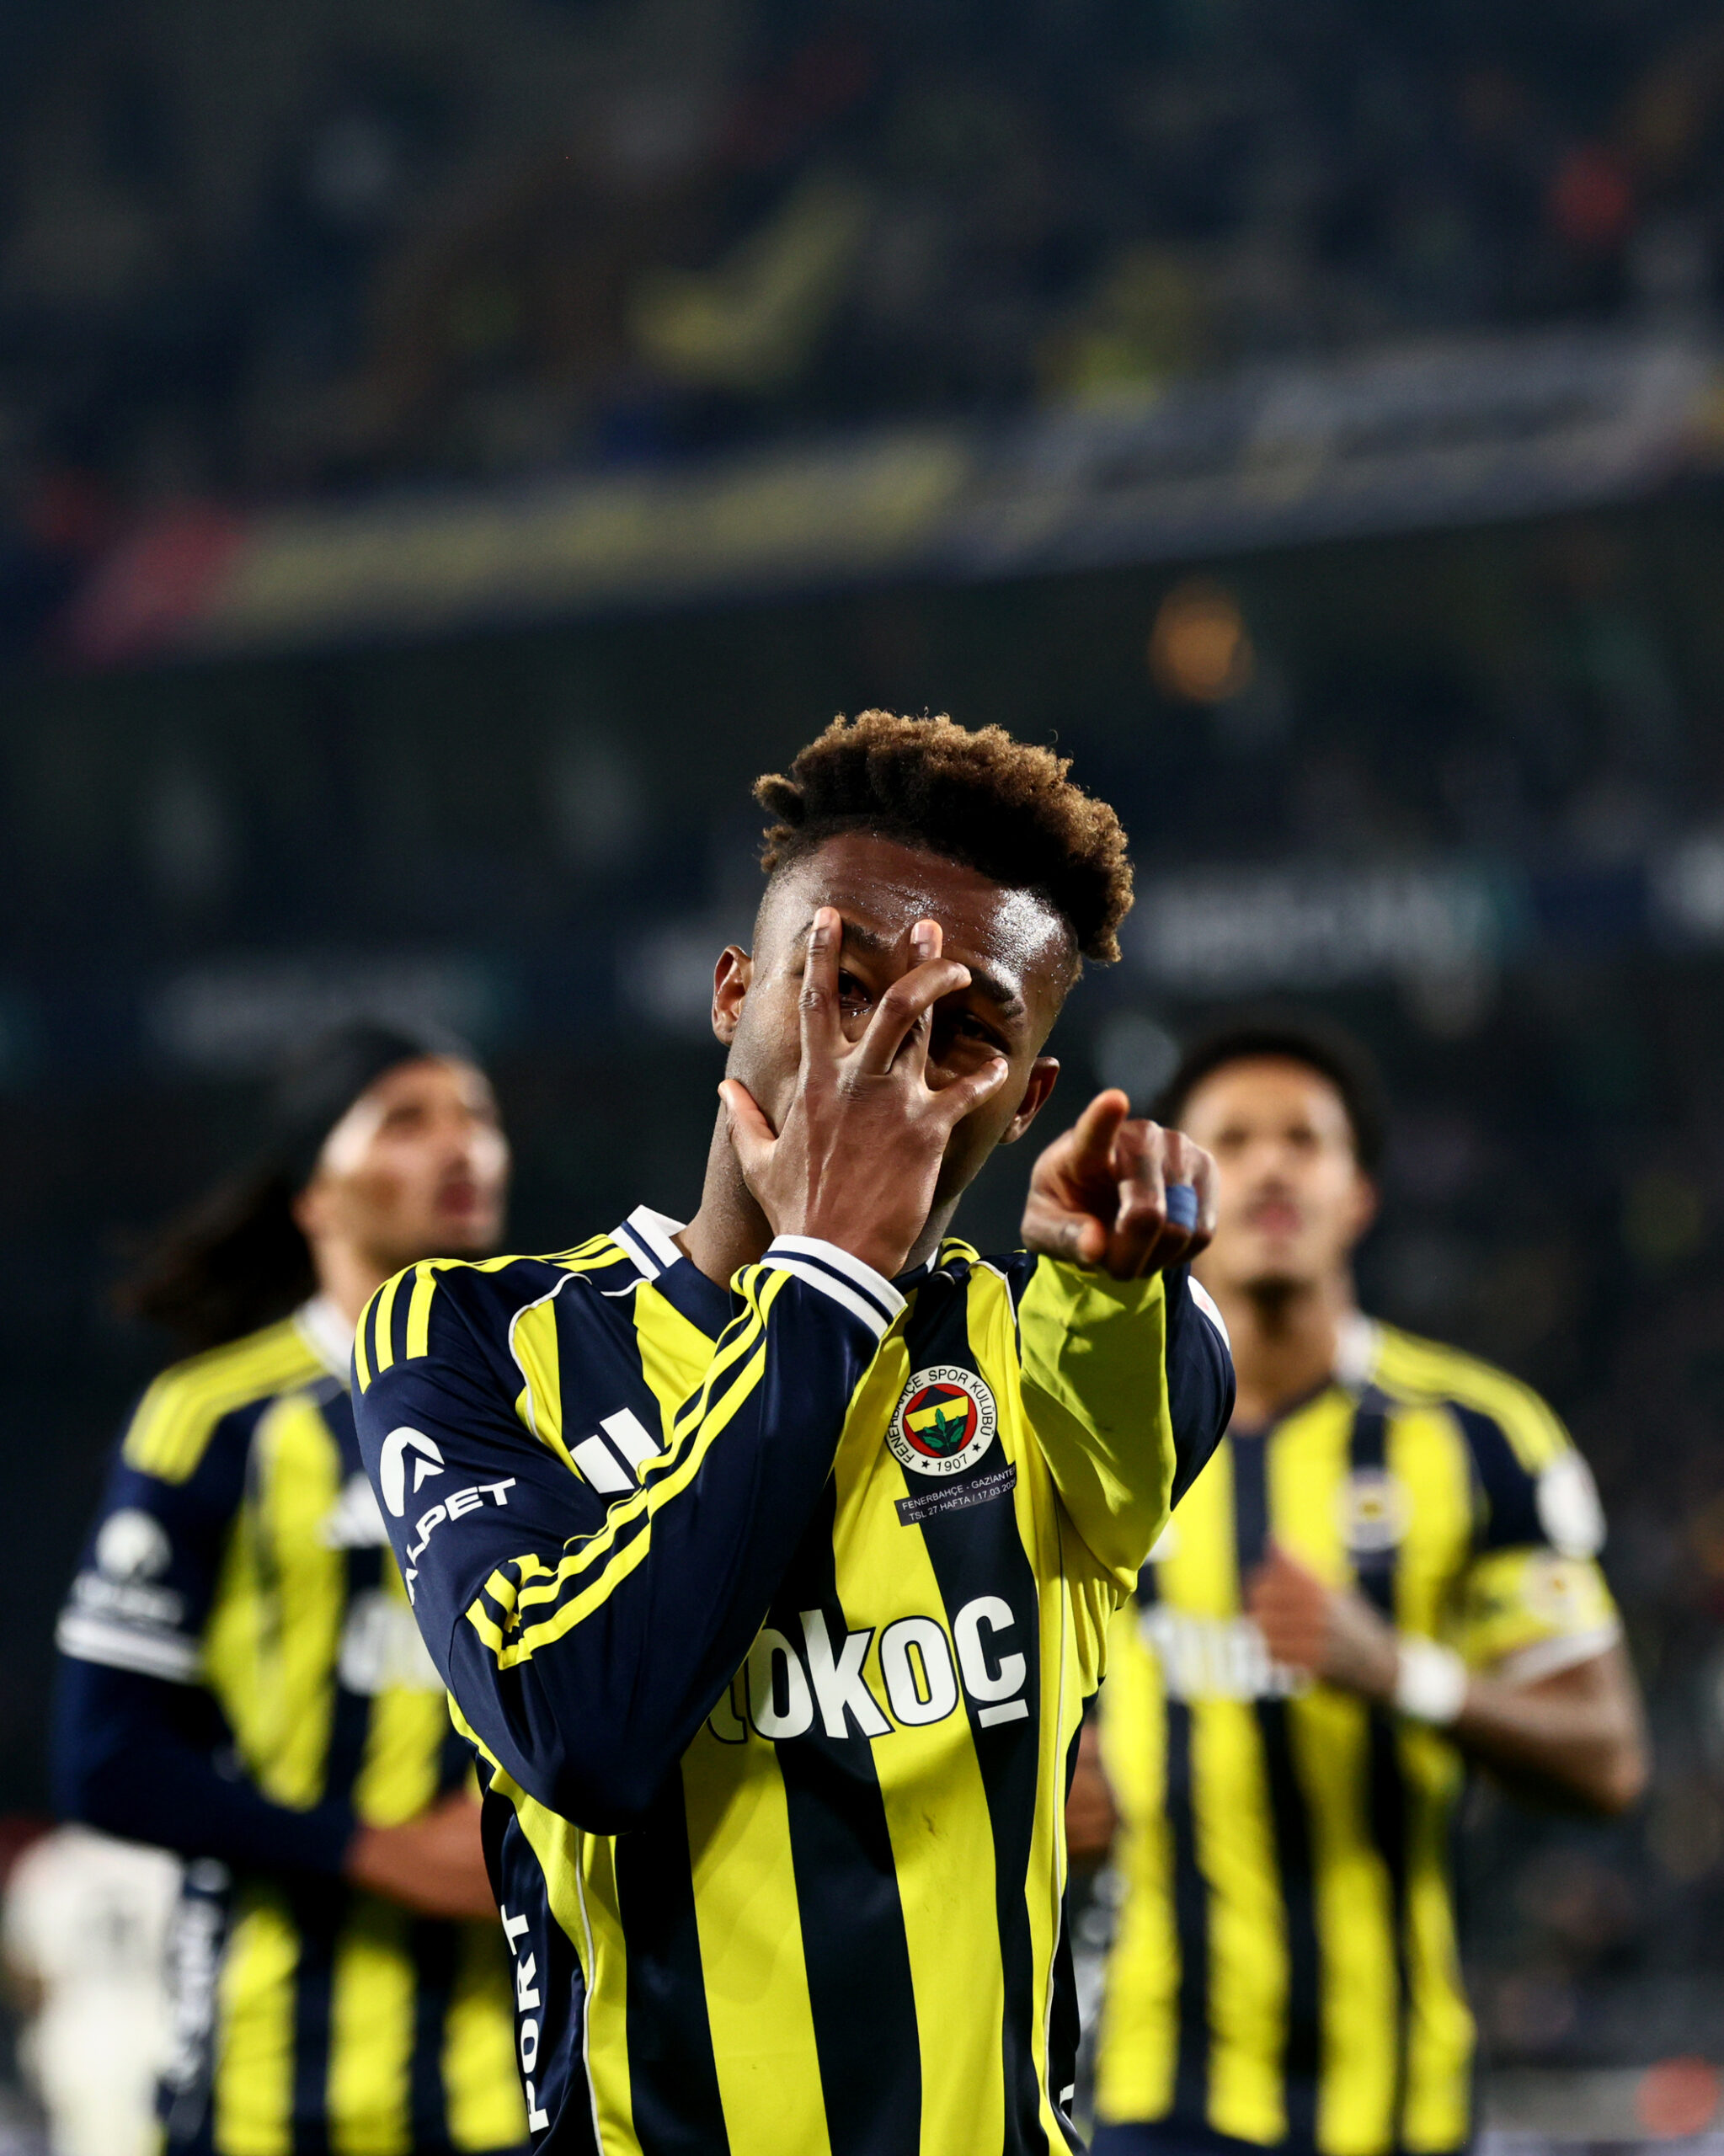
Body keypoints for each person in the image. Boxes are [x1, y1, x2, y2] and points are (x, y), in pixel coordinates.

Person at [350, 710, 1236, 2154]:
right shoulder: (469, 1336)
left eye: (966, 1032)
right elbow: (581, 1729)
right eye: (844, 985)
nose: (886, 1058)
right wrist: (825, 1271)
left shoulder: (1052, 1344)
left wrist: (1117, 1278)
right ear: (732, 992)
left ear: (1029, 1102)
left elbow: (1145, 1375)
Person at [1077, 1017, 1648, 2156]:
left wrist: (1403, 1676)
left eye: (1305, 1140)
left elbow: (1607, 1759)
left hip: (1398, 2101)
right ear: (1179, 1193)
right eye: (1234, 1140)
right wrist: (1052, 1801)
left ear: (1359, 1197)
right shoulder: (1091, 1433)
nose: (1270, 1166)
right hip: (1157, 2095)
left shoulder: (1475, 1436)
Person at [53, 1023, 528, 2156]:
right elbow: (108, 1757)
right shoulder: (215, 1422)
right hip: (266, 2084)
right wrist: (382, 1850)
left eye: (476, 1116)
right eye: (405, 1120)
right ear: (315, 1194)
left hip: (516, 2087)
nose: (460, 1146)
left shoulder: (559, 1404)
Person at [3, 1823, 181, 2156]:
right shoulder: (163, 1856)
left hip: (78, 2041)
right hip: (160, 2035)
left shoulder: (49, 1862)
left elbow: (26, 1974)